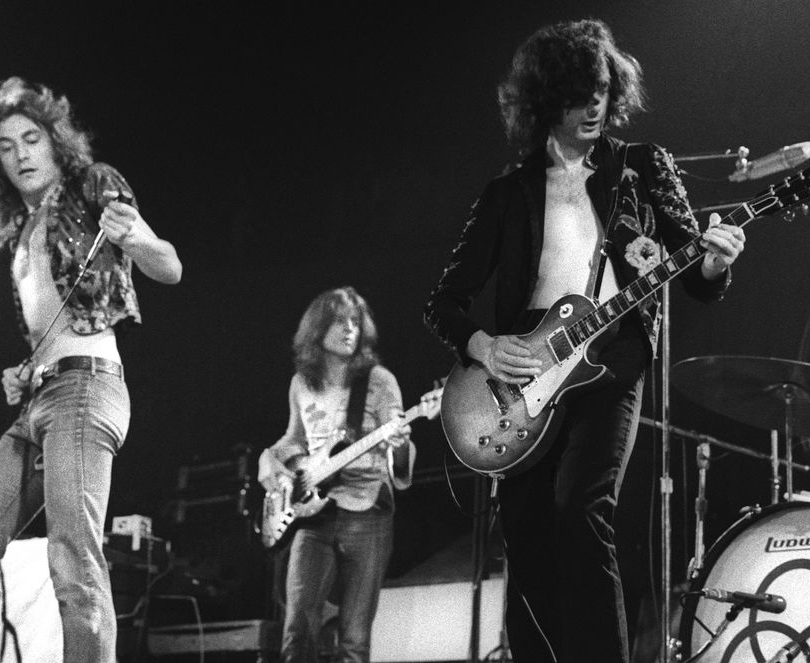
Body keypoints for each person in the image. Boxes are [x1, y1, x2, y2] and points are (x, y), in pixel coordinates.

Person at [423, 20, 745, 663]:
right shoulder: (507, 194)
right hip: (520, 375)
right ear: (547, 101)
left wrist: (714, 263)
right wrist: (484, 346)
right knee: (527, 533)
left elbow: (694, 270)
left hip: (611, 361)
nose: (594, 105)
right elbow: (444, 302)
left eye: (601, 90)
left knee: (580, 508)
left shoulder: (641, 165)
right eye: (578, 94)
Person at [0, 76, 182, 663]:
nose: (21, 154)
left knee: (72, 558)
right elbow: (52, 325)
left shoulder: (91, 187)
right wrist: (26, 368)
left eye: (31, 139)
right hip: (41, 399)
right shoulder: (22, 233)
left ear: (56, 142)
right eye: (6, 147)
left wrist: (134, 237)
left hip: (87, 390)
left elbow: (170, 266)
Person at [258, 287, 416, 663]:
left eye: (355, 322)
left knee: (354, 639)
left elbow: (400, 453)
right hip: (313, 514)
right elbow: (295, 438)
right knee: (296, 629)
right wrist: (268, 459)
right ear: (317, 328)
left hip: (367, 508)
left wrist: (399, 442)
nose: (350, 329)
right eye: (339, 321)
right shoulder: (302, 382)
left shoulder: (378, 380)